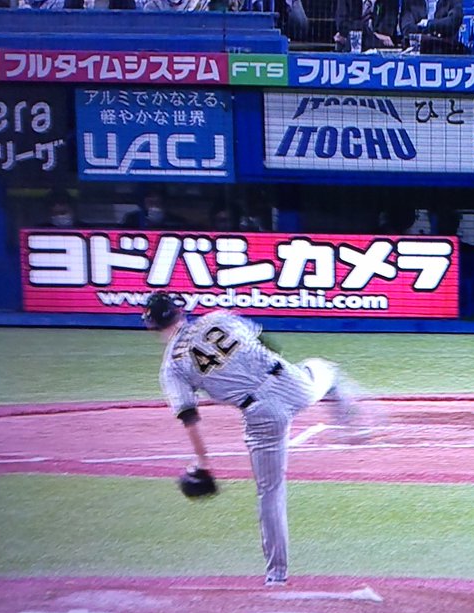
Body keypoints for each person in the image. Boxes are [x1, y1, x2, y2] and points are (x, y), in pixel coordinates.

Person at [141, 291, 363, 586]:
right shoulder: (217, 318)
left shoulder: (172, 367)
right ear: (180, 311)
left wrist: (203, 463)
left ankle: (276, 576)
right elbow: (266, 342)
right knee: (323, 370)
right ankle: (351, 414)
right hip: (291, 382)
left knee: (270, 492)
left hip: (261, 414)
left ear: (151, 325)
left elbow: (189, 418)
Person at [400, 0, 466, 53]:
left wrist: (426, 24)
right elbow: (407, 29)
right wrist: (436, 31)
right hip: (416, 52)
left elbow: (453, 23)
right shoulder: (410, 1)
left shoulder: (452, 1)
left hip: (446, 52)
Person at [121, 187, 185, 230]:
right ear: (144, 202)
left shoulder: (177, 221)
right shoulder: (132, 219)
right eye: (150, 202)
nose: (154, 205)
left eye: (158, 202)